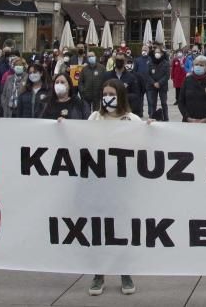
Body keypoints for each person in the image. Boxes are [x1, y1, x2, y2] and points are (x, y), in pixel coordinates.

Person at [86, 80, 140, 296]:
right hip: (98, 183)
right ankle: (99, 274)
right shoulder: (94, 118)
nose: (107, 97)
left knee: (122, 228)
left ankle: (124, 272)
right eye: (104, 93)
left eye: (111, 93)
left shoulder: (132, 120)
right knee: (99, 227)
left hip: (123, 185)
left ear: (120, 96)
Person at [178, 55, 206, 123]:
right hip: (189, 121)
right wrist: (187, 117)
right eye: (196, 64)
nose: (198, 66)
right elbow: (181, 101)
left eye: (201, 65)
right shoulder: (187, 79)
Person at [147, 46, 171, 120]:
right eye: (156, 52)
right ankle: (152, 117)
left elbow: (167, 76)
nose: (157, 53)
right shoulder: (150, 63)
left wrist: (159, 83)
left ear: (162, 53)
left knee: (164, 103)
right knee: (152, 103)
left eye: (159, 52)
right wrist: (154, 83)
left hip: (163, 86)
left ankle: (166, 118)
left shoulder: (166, 63)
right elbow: (147, 75)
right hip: (152, 86)